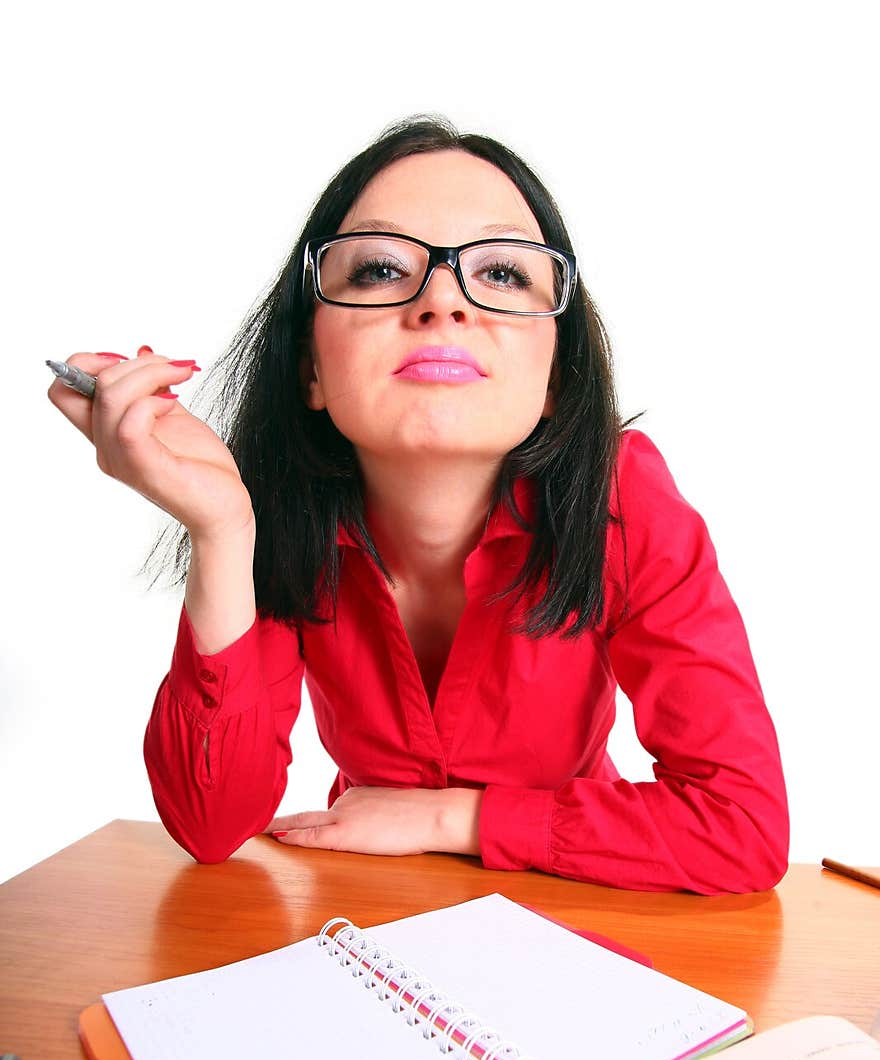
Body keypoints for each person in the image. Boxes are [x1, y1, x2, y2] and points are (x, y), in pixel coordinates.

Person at [48, 114, 789, 895]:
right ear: (311, 370)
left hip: (577, 895)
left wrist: (452, 819)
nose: (441, 303)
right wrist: (222, 529)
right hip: (364, 909)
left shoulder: (624, 499)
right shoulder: (276, 508)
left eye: (502, 273)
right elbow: (209, 825)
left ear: (557, 377)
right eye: (376, 270)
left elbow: (740, 828)